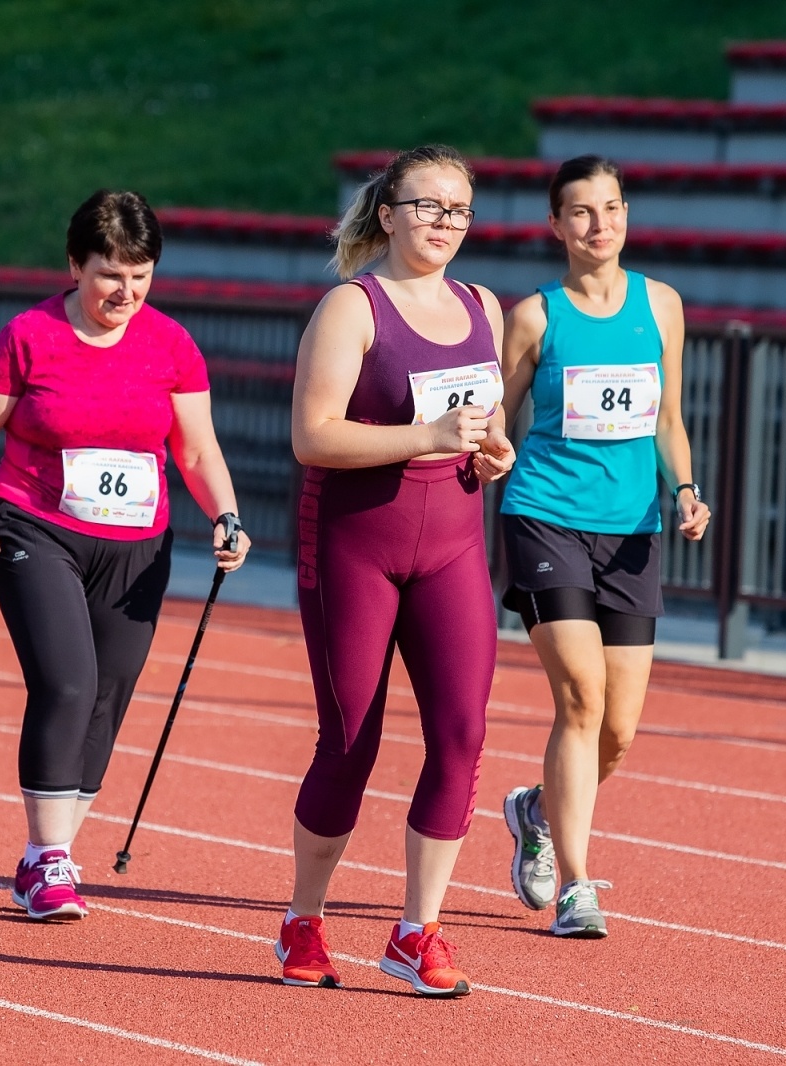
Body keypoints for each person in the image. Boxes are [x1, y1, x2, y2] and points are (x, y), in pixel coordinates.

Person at [0, 189, 251, 922]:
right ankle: (49, 856)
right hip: (35, 526)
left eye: (142, 276)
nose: (127, 292)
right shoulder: (28, 336)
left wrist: (227, 515)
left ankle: (47, 858)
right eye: (112, 274)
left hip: (137, 545)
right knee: (69, 684)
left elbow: (197, 448)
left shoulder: (171, 345)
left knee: (108, 698)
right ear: (75, 266)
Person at [277, 144, 515, 997]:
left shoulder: (483, 305)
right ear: (387, 212)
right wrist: (427, 438)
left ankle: (418, 931)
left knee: (462, 735)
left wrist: (494, 449)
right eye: (426, 206)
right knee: (351, 741)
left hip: (452, 546)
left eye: (458, 210)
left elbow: (482, 429)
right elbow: (314, 438)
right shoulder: (352, 308)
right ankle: (305, 917)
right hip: (355, 546)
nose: (444, 223)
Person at [495, 155, 709, 938]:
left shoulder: (663, 305)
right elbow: (496, 416)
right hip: (545, 515)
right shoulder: (535, 318)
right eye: (581, 212)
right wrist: (491, 450)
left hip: (633, 531)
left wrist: (685, 489)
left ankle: (535, 812)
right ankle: (578, 889)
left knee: (617, 729)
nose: (599, 225)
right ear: (555, 225)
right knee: (580, 698)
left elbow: (667, 418)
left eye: (611, 208)